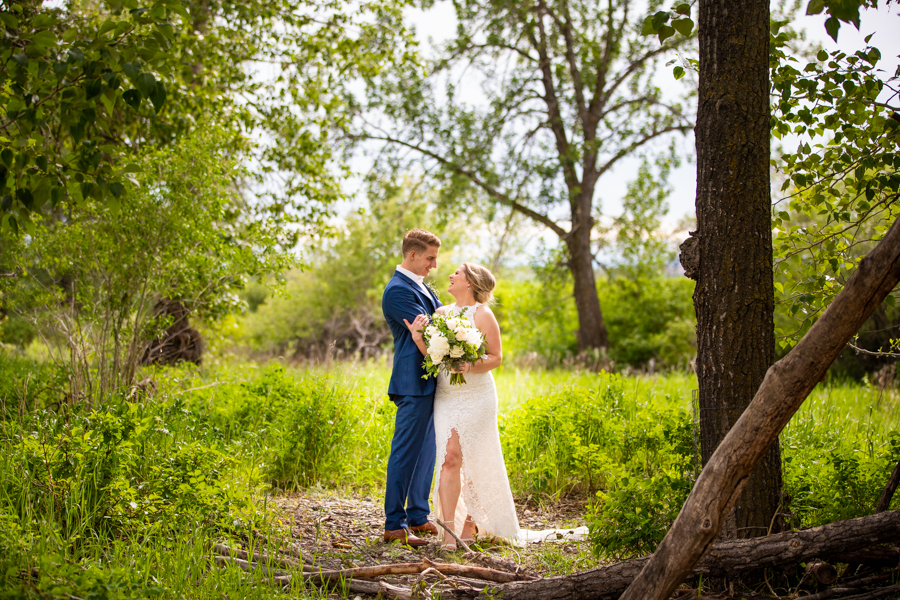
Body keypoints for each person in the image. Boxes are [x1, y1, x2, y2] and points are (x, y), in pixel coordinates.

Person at [404, 262, 520, 550]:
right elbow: (434, 356)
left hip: (478, 396)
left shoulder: (484, 315)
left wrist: (469, 363)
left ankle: (470, 526)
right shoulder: (441, 313)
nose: (451, 276)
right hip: (447, 396)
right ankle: (448, 532)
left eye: (457, 273)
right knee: (449, 459)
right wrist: (419, 337)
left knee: (475, 460)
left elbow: (496, 358)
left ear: (469, 282)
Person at [381, 229, 444, 547]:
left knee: (427, 450)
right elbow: (434, 336)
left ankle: (418, 515)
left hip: (432, 382)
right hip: (412, 382)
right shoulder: (397, 291)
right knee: (406, 452)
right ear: (413, 255)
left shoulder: (421, 286)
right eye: (430, 258)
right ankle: (394, 523)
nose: (434, 264)